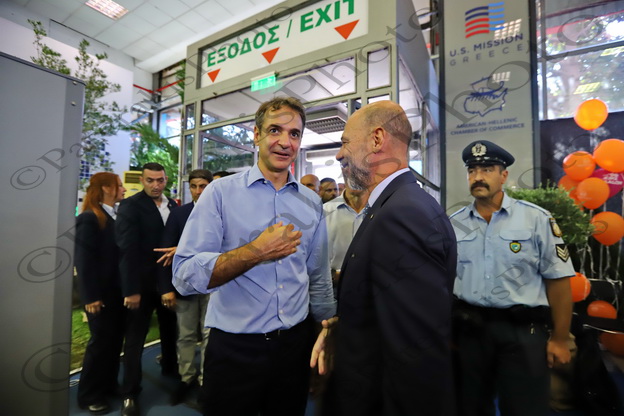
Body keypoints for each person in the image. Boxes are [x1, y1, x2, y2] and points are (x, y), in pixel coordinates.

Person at [173, 97, 336, 416]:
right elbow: (184, 276)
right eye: (275, 130)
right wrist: (255, 251)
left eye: (294, 133)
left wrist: (325, 337)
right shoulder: (220, 193)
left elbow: (318, 277)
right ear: (256, 135)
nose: (285, 142)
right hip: (235, 350)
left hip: (294, 347)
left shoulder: (311, 202)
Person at [311, 100, 457, 415]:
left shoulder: (402, 214)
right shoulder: (395, 206)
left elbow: (414, 350)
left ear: (377, 139)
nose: (339, 155)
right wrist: (343, 328)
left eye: (345, 143)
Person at [450, 140, 574, 416]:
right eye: (472, 170)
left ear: (503, 175)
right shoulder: (454, 224)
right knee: (469, 407)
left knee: (525, 409)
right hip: (471, 332)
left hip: (522, 333)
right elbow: (446, 282)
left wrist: (560, 338)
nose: (478, 177)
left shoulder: (536, 219)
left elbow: (558, 281)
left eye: (487, 169)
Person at [115, 163, 179, 416]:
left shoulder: (172, 205)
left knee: (170, 330)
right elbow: (126, 250)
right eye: (150, 180)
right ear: (142, 180)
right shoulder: (130, 206)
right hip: (140, 286)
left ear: (166, 180)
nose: (155, 185)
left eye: (160, 180)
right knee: (135, 340)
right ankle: (130, 393)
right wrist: (130, 290)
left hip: (168, 284)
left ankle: (171, 369)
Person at [156, 169, 213, 405]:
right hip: (185, 284)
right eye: (194, 186)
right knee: (186, 334)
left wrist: (184, 250)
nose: (198, 191)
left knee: (210, 335)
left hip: (213, 284)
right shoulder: (179, 214)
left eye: (203, 186)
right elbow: (164, 252)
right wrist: (165, 288)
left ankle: (206, 381)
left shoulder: (221, 212)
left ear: (210, 186)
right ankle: (186, 378)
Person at [75, 172, 126, 415]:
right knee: (100, 345)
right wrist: (91, 297)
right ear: (106, 188)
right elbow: (84, 261)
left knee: (114, 343)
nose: (123, 189)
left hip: (116, 294)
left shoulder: (111, 215)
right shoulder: (89, 218)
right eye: (119, 185)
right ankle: (89, 395)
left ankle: (108, 385)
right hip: (100, 295)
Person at [323, 183, 368, 293]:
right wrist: (334, 275)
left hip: (372, 291)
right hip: (331, 290)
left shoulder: (383, 209)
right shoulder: (323, 211)